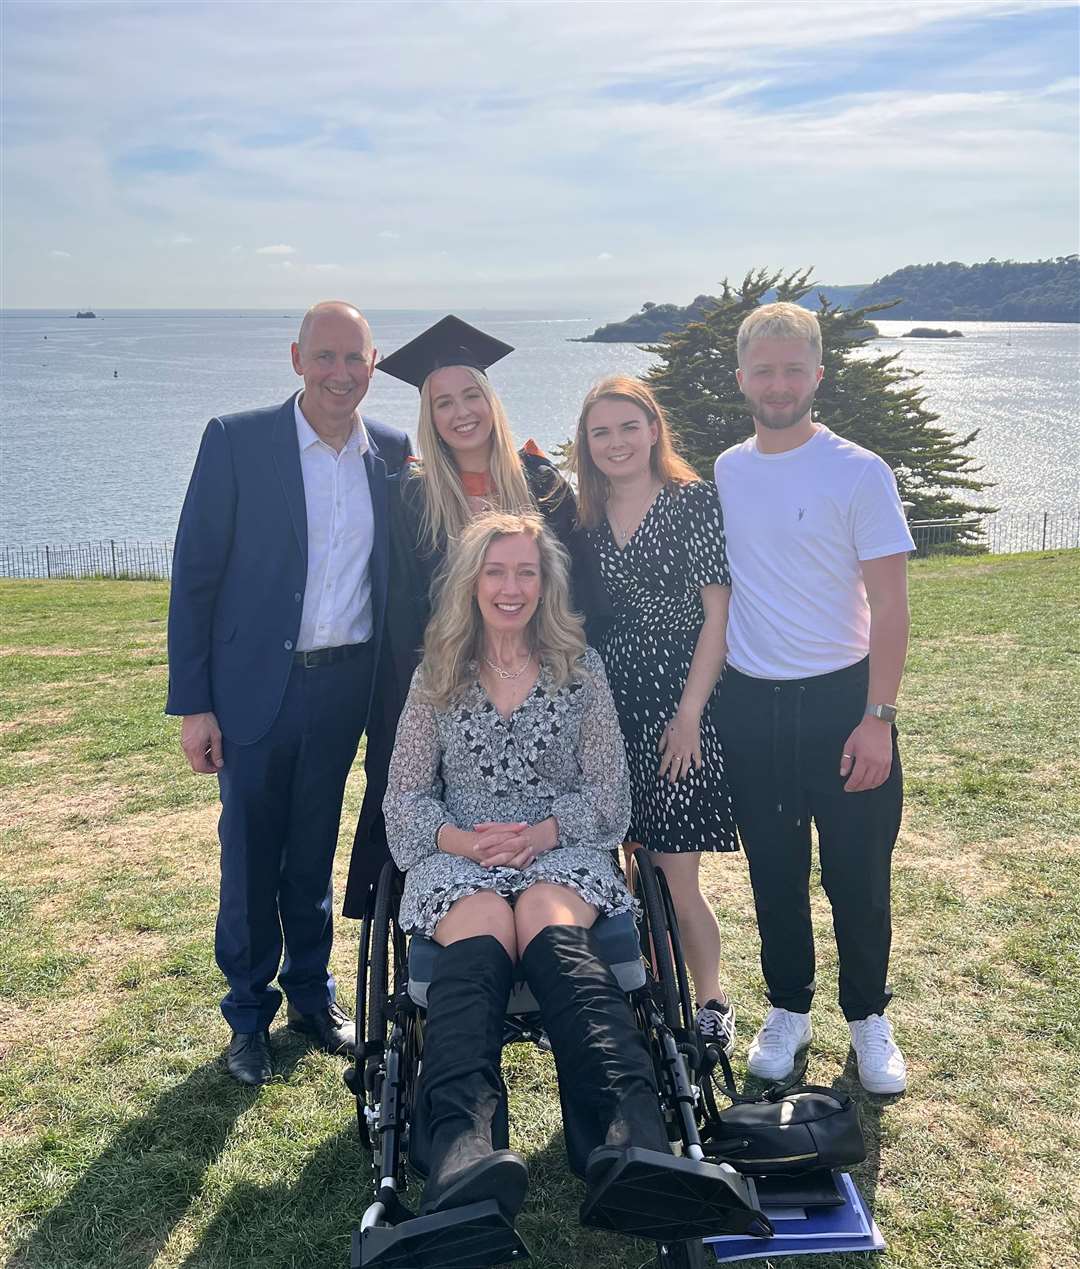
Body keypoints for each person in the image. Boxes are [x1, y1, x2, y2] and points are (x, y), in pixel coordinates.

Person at [383, 511, 747, 1235]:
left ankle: (627, 1135)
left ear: (546, 582)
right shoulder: (437, 675)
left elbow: (609, 795)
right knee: (484, 924)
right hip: (462, 852)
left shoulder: (581, 670)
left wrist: (542, 832)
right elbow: (404, 798)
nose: (511, 586)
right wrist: (468, 840)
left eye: (526, 571)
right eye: (496, 571)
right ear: (471, 582)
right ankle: (461, 1145)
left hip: (563, 846)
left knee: (550, 923)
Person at [166, 301, 410, 1085]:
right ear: (297, 357)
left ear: (374, 364)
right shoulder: (238, 441)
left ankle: (311, 992)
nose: (341, 374)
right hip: (253, 691)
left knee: (313, 849)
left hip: (347, 689)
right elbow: (195, 576)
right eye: (326, 356)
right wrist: (194, 703)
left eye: (355, 359)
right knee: (248, 854)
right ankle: (247, 1013)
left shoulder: (396, 454)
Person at [713, 301, 914, 1095]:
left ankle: (867, 1016)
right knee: (773, 869)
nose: (778, 382)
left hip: (844, 700)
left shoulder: (859, 470)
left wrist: (878, 717)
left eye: (794, 368)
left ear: (818, 375)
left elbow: (892, 606)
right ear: (742, 380)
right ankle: (788, 1008)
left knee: (859, 872)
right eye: (763, 369)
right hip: (753, 705)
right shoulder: (726, 471)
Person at [342, 316, 576, 918]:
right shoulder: (411, 495)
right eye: (443, 402)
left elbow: (577, 600)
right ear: (430, 416)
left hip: (539, 689)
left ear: (491, 401)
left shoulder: (544, 487)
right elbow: (397, 613)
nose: (461, 412)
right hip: (442, 693)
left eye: (471, 395)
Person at [567, 375, 740, 1053]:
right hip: (609, 702)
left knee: (673, 871)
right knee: (621, 862)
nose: (615, 442)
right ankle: (647, 996)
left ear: (653, 428)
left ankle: (710, 1000)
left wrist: (690, 712)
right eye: (600, 431)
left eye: (627, 426)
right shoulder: (584, 515)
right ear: (586, 442)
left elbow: (717, 618)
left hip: (681, 698)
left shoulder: (692, 502)